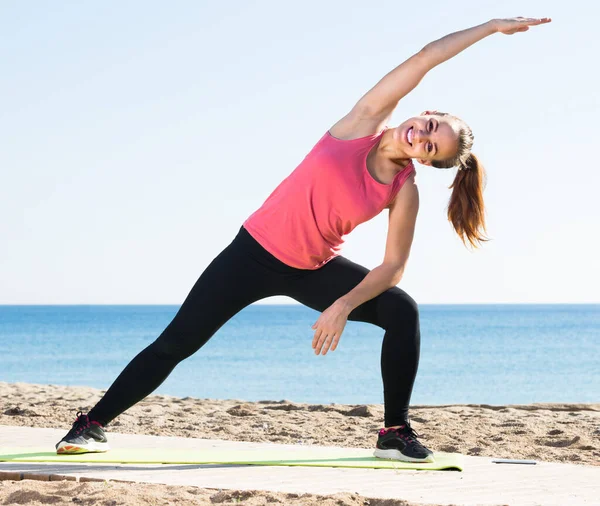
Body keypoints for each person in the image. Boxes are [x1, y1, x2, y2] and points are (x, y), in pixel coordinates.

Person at [56, 16, 550, 462]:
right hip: (251, 253)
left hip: (311, 269)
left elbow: (392, 267)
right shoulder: (362, 122)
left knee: (402, 309)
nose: (421, 135)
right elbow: (426, 58)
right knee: (176, 343)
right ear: (428, 112)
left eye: (429, 145)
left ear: (424, 159)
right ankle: (91, 422)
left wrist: (341, 306)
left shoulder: (404, 190)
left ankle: (394, 432)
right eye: (431, 125)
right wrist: (488, 29)